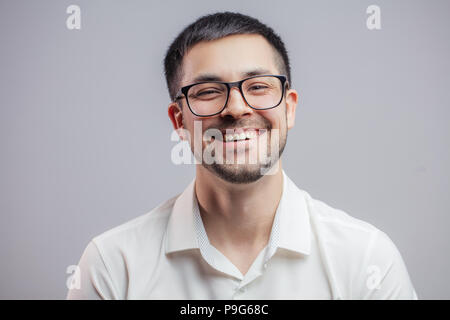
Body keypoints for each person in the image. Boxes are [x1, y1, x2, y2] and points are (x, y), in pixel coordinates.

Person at [67, 11, 418, 299]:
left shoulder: (367, 260)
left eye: (258, 86)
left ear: (289, 108)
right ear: (179, 120)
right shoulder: (113, 265)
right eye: (208, 91)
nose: (236, 108)